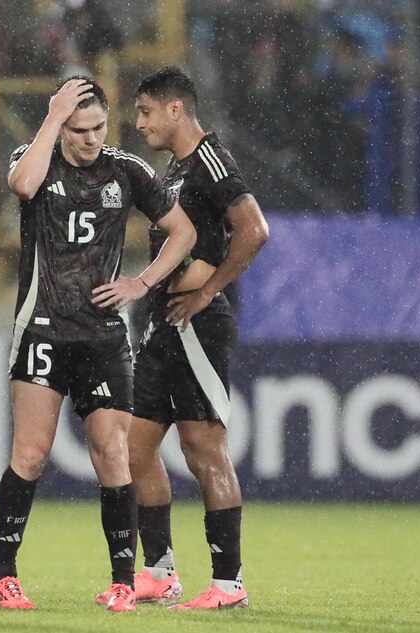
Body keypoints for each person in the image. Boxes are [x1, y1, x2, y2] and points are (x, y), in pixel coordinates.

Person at [0, 75, 195, 613]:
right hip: (41, 328)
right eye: (78, 129)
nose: (90, 139)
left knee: (111, 453)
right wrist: (52, 118)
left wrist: (141, 283)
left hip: (102, 336)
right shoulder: (34, 158)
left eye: (98, 127)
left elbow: (184, 232)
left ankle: (123, 583)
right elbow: (22, 186)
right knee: (30, 454)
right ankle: (3, 577)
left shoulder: (127, 170)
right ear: (61, 127)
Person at [129, 66, 269, 611]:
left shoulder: (212, 160)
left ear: (176, 109)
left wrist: (209, 290)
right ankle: (160, 572)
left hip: (197, 325)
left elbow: (254, 230)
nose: (139, 123)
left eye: (146, 112)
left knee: (203, 450)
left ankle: (229, 585)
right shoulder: (176, 168)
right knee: (134, 448)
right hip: (163, 321)